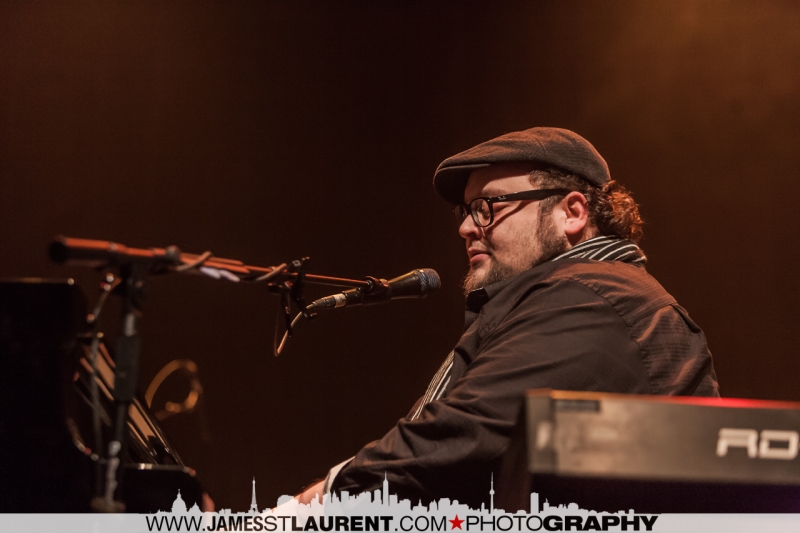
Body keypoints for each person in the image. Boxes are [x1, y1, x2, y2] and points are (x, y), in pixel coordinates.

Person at [296, 127, 719, 508]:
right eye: (465, 211)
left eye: (487, 207)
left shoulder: (592, 296)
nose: (466, 228)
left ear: (572, 213)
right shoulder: (580, 294)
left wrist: (314, 504)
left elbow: (466, 434)